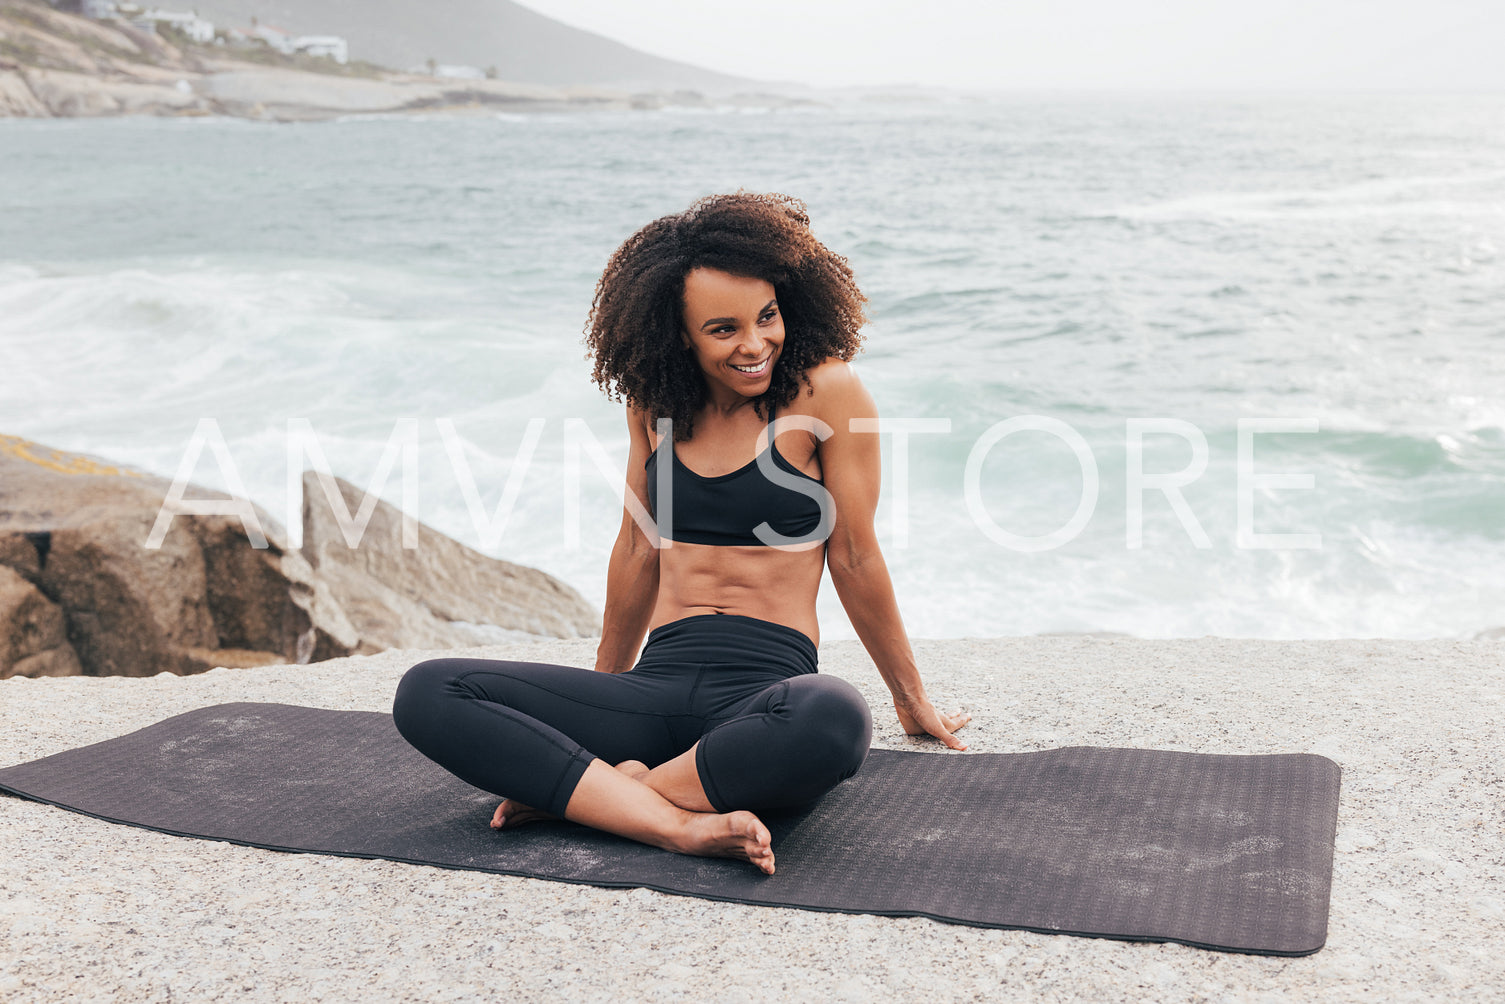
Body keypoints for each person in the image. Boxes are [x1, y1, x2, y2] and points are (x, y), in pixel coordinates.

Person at [392, 191, 970, 875]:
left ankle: (607, 798)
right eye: (723, 330)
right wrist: (590, 703)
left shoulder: (827, 391)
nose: (755, 345)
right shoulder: (655, 403)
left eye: (767, 317)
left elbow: (853, 553)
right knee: (428, 690)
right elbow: (637, 547)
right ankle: (674, 824)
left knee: (835, 716)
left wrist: (908, 698)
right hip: (653, 689)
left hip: (763, 690)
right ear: (680, 336)